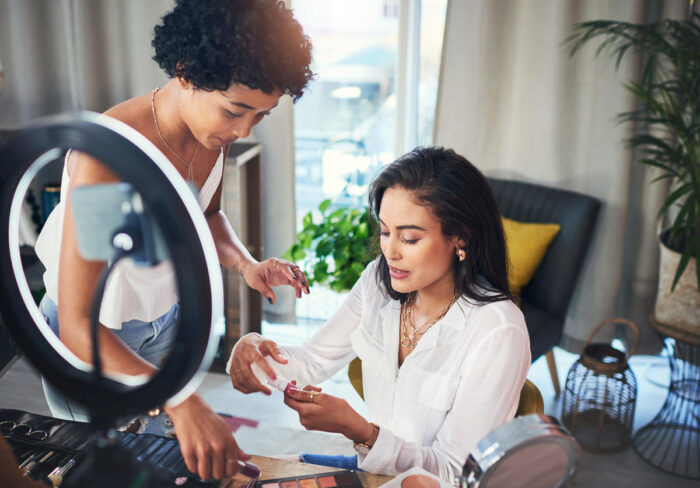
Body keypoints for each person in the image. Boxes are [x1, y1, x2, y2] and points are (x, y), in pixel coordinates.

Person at [33, 0, 313, 481]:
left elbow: (206, 213)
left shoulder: (211, 136)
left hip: (163, 320)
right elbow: (78, 325)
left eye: (261, 116)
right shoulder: (111, 158)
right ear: (185, 71)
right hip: (98, 338)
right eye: (235, 110)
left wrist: (246, 266)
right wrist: (181, 399)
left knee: (160, 460)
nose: (243, 130)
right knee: (110, 470)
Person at [227, 146, 531, 483]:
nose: (390, 251)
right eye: (386, 232)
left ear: (460, 236)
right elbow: (312, 360)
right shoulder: (378, 281)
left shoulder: (498, 331)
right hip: (373, 471)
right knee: (247, 477)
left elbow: (453, 472)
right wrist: (255, 352)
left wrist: (361, 431)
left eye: (410, 238)